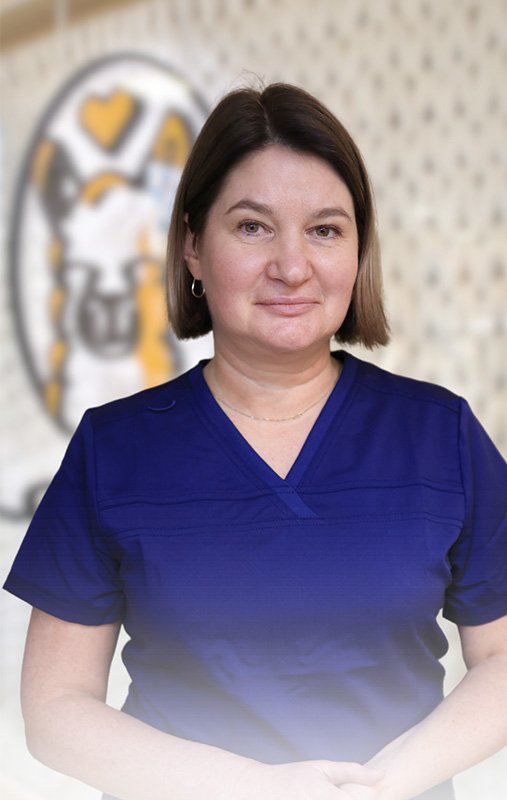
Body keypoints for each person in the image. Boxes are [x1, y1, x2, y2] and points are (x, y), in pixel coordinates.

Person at [4, 83, 507, 800]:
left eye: (325, 230)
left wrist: (378, 787)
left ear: (358, 250)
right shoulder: (113, 450)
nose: (292, 266)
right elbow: (56, 710)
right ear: (192, 247)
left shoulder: (440, 435)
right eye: (252, 227)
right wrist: (254, 788)